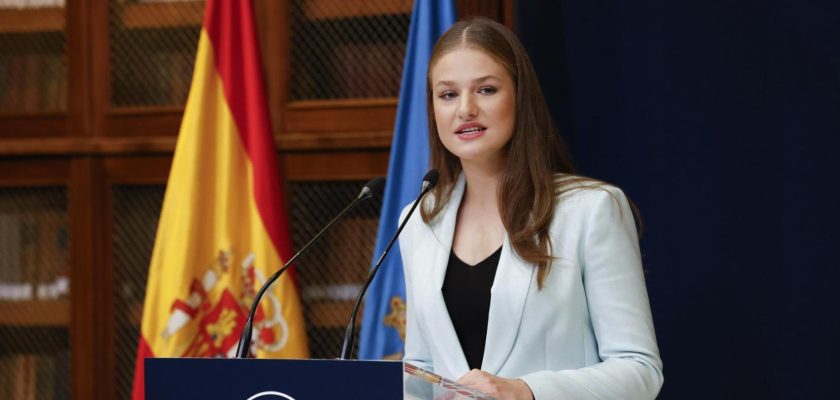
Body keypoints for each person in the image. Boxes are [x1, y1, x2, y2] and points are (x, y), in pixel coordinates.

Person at [398, 17, 663, 399]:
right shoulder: (420, 220)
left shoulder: (591, 210)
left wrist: (526, 392)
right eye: (448, 94)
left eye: (486, 90)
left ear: (519, 97)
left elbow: (640, 371)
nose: (466, 109)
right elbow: (421, 370)